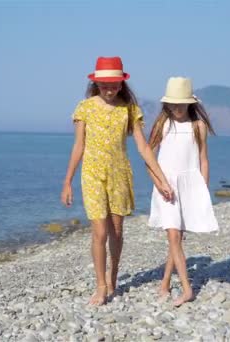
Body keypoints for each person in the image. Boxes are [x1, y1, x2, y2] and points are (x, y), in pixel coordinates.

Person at [61, 56, 174, 305]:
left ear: (121, 84)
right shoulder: (85, 108)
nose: (109, 89)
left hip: (119, 173)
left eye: (113, 85)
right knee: (99, 232)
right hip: (92, 174)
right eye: (104, 85)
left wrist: (162, 179)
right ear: (96, 84)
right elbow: (78, 146)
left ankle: (113, 274)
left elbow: (143, 147)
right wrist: (67, 181)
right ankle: (101, 286)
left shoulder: (130, 109)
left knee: (117, 231)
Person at [146, 76, 219, 307]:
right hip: (165, 186)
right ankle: (187, 289)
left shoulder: (199, 127)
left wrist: (202, 191)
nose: (176, 108)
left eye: (180, 103)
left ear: (190, 103)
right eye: (172, 104)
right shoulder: (162, 124)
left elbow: (203, 160)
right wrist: (159, 184)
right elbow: (149, 159)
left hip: (190, 186)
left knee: (177, 239)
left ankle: (165, 283)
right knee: (173, 237)